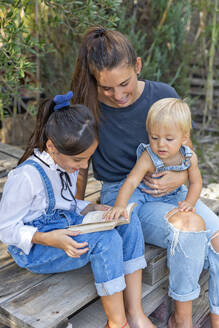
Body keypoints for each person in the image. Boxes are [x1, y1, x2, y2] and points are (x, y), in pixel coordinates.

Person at [71, 26, 219, 328]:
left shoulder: (163, 95)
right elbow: (81, 165)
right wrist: (75, 206)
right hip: (125, 194)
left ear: (137, 66)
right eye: (107, 88)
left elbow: (186, 151)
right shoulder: (88, 106)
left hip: (173, 188)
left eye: (124, 83)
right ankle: (182, 320)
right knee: (189, 227)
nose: (118, 95)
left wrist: (181, 181)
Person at [0, 91, 155, 328]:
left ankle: (135, 311)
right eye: (78, 160)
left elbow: (66, 204)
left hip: (65, 227)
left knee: (127, 219)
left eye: (88, 159)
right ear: (52, 147)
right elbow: (6, 229)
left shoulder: (66, 166)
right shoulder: (25, 177)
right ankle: (117, 322)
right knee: (107, 239)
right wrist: (47, 238)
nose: (84, 166)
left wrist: (91, 207)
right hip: (36, 248)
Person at [104, 98, 202, 220]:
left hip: (173, 195)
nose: (161, 144)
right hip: (143, 193)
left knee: (191, 216)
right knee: (128, 214)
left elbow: (196, 182)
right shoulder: (148, 157)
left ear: (184, 138)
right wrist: (120, 205)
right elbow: (132, 181)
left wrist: (189, 202)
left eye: (169, 139)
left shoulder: (189, 157)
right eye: (154, 137)